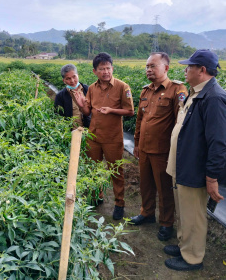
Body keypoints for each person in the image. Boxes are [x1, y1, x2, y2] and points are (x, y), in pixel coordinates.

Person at [164, 49, 226, 271]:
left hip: (194, 168)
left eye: (189, 66)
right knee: (183, 210)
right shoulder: (196, 92)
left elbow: (218, 143)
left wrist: (212, 177)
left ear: (202, 70)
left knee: (193, 214)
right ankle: (184, 245)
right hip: (183, 164)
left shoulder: (214, 98)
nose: (186, 70)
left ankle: (192, 257)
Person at [130, 52, 188, 241]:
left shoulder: (177, 90)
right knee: (145, 184)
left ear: (166, 68)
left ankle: (166, 223)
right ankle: (146, 213)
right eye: (147, 66)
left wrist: (176, 151)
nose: (149, 69)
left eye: (153, 66)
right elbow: (140, 119)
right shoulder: (146, 91)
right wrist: (137, 143)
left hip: (163, 151)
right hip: (145, 148)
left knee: (164, 189)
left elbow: (180, 123)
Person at [74, 52, 134, 220]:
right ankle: (96, 196)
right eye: (101, 69)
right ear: (95, 71)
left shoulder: (122, 87)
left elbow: (130, 111)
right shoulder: (92, 88)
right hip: (94, 136)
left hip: (113, 138)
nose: (105, 72)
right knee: (92, 168)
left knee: (116, 171)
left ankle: (119, 203)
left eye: (108, 68)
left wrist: (112, 110)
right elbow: (87, 111)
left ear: (112, 68)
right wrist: (81, 106)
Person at [54, 64, 91, 130]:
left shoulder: (88, 89)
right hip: (73, 132)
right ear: (64, 81)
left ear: (78, 75)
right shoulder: (60, 96)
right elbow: (59, 117)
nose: (72, 81)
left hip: (90, 130)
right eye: (68, 78)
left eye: (74, 77)